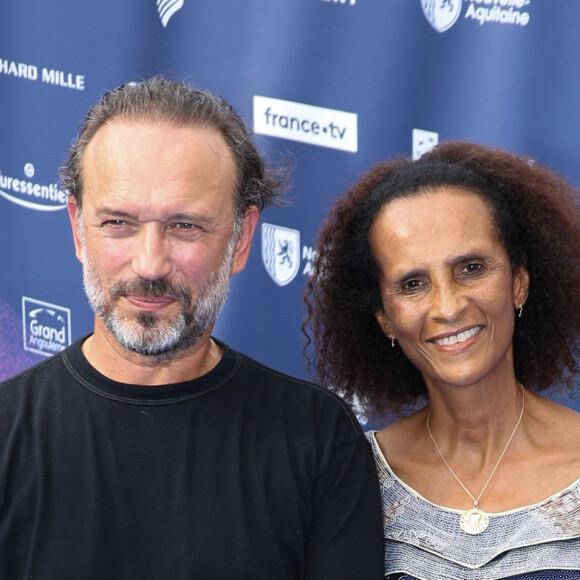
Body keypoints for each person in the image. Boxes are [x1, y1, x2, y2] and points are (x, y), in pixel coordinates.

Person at [0, 76, 384, 579]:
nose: (151, 263)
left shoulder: (317, 442)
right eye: (118, 223)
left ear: (242, 238)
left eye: (185, 226)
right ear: (77, 227)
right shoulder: (7, 434)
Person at [305, 140, 580, 579]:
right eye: (413, 284)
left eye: (471, 268)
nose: (448, 307)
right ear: (384, 318)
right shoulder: (351, 478)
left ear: (520, 282)